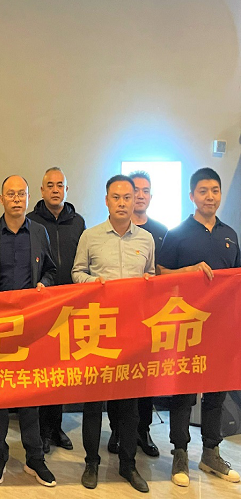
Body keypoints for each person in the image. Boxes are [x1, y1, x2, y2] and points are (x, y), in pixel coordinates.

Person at [0, 175, 57, 487]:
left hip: (30, 325)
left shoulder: (39, 232)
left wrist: (43, 283)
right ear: (2, 199)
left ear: (29, 197)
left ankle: (35, 456)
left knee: (30, 392)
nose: (17, 199)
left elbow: (51, 270)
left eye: (22, 194)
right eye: (11, 194)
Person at [158, 167, 241, 487]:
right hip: (187, 325)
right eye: (203, 191)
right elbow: (161, 274)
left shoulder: (229, 234)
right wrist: (189, 271)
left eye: (215, 191)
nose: (210, 197)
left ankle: (210, 453)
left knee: (216, 391)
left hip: (221, 327)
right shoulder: (177, 233)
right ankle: (180, 453)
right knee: (184, 391)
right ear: (192, 196)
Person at [72, 174, 154, 493]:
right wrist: (93, 283)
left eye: (127, 197)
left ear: (136, 201)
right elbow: (76, 273)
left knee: (129, 405)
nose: (122, 203)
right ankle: (91, 463)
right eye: (116, 197)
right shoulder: (90, 236)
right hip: (98, 330)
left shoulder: (146, 240)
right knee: (94, 403)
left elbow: (150, 278)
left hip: (132, 332)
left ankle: (127, 465)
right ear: (106, 200)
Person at [26, 166, 85, 454]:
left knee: (61, 369)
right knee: (42, 368)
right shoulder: (32, 221)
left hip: (71, 304)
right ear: (41, 190)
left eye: (59, 185)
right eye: (49, 185)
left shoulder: (78, 222)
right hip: (42, 303)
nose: (55, 189)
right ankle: (42, 430)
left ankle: (56, 426)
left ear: (66, 189)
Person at [128, 170, 168, 458]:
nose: (140, 196)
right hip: (118, 317)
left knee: (145, 377)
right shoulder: (114, 228)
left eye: (145, 191)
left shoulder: (162, 232)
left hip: (150, 316)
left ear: (151, 196)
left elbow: (163, 273)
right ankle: (119, 432)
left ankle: (143, 430)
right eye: (135, 191)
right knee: (118, 376)